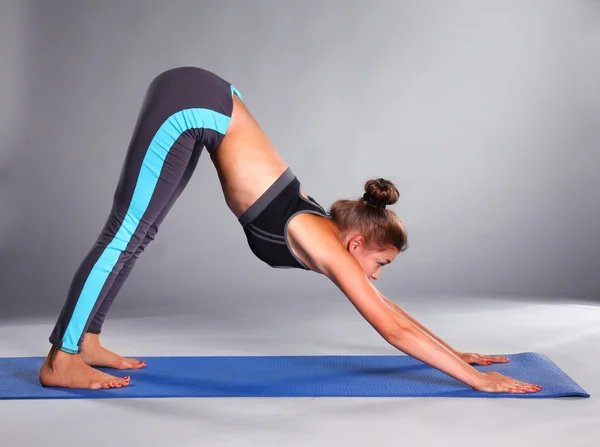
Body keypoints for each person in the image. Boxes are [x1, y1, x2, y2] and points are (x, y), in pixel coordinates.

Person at [38, 66, 541, 394]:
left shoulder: (332, 233)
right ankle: (62, 359)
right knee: (126, 233)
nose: (377, 276)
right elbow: (391, 328)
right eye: (380, 264)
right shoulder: (328, 243)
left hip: (202, 100)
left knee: (137, 235)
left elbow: (390, 311)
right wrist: (477, 380)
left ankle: (88, 340)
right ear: (357, 243)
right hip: (192, 104)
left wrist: (455, 351)